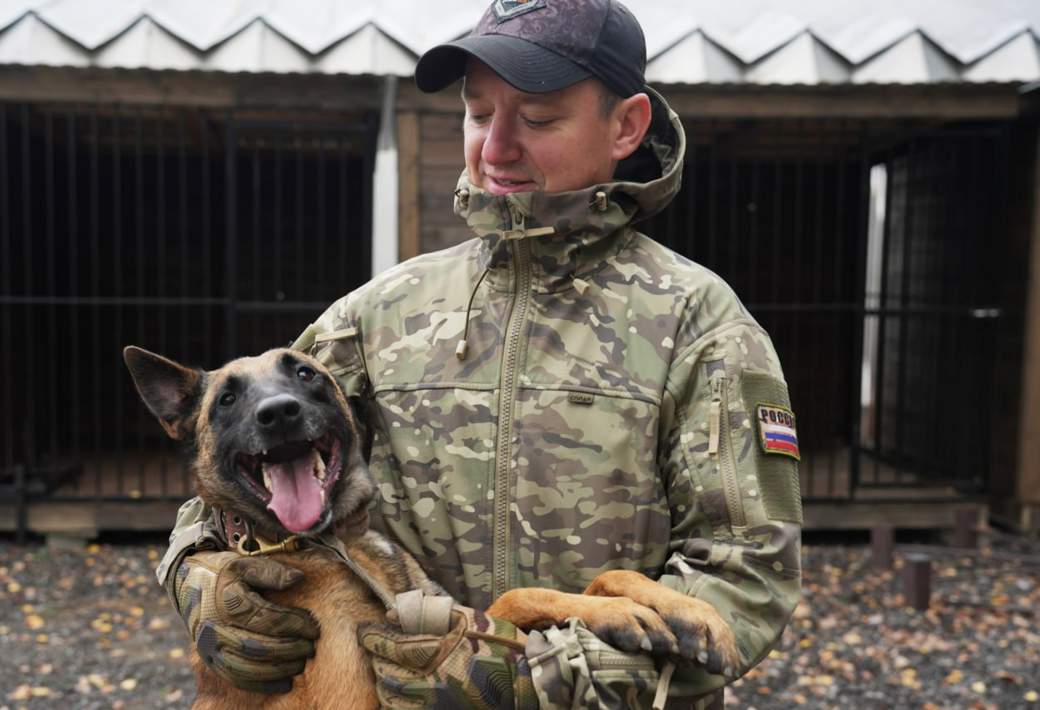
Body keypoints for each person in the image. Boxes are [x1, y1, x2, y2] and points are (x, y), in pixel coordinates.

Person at [156, 0, 802, 707]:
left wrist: (530, 681)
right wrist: (197, 572)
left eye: (537, 118)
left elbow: (746, 579)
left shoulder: (698, 323)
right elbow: (247, 449)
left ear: (626, 126)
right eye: (477, 113)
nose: (494, 148)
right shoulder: (384, 310)